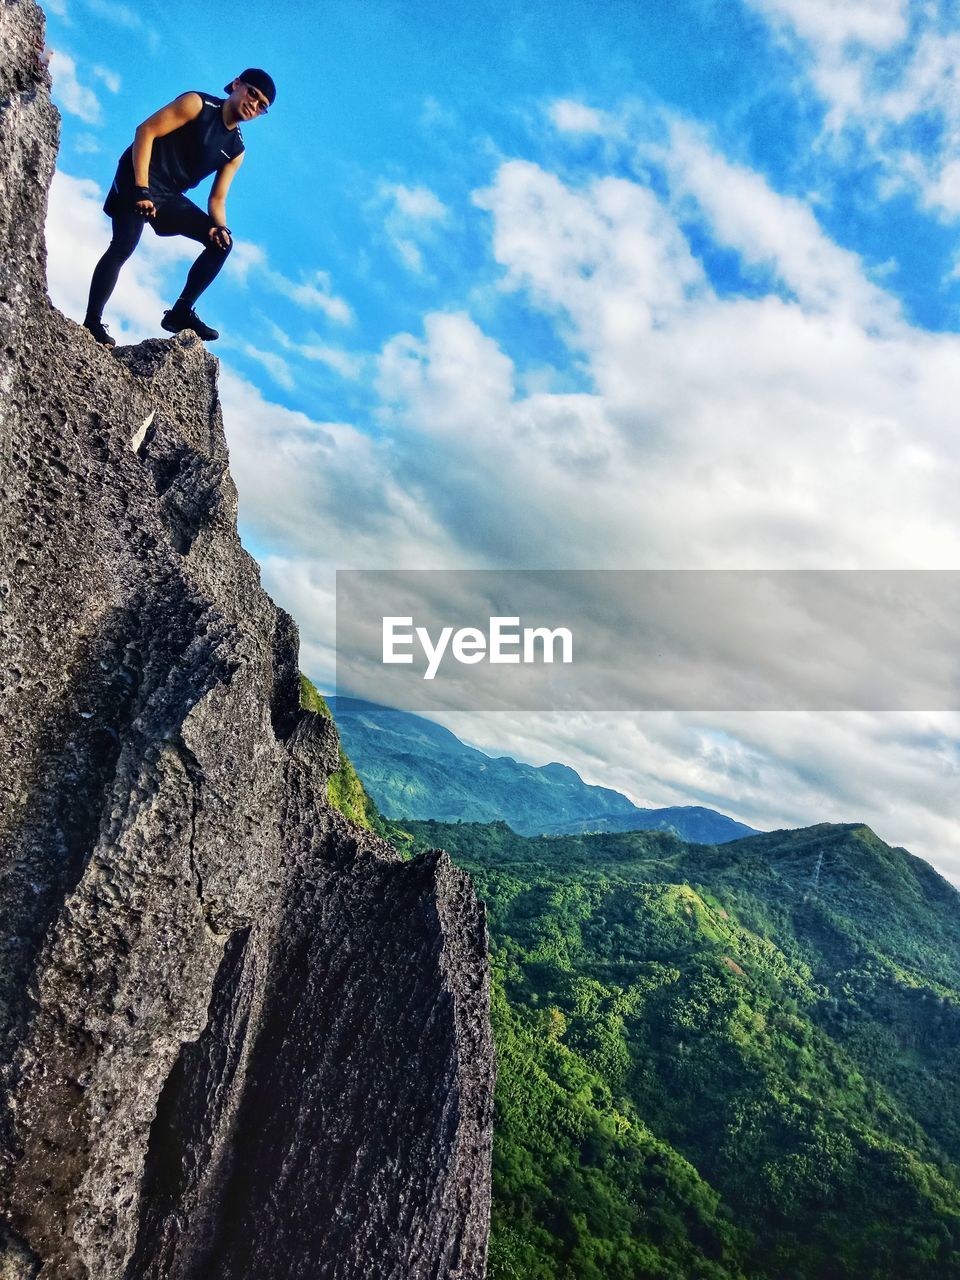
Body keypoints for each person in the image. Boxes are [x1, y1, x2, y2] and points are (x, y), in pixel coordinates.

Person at [83, 69, 276, 347]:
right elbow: (145, 131)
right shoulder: (198, 104)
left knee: (222, 243)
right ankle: (92, 322)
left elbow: (217, 200)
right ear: (236, 85)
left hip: (170, 194)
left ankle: (180, 311)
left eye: (262, 107)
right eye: (252, 94)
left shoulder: (236, 149)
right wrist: (140, 189)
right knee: (125, 243)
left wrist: (220, 228)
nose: (254, 105)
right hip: (139, 174)